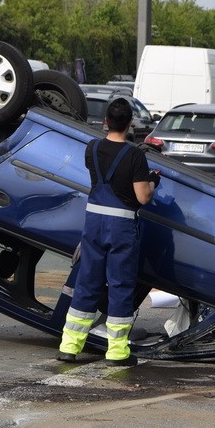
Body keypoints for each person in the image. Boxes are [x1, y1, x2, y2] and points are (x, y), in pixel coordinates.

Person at [58, 97, 159, 366]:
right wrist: (152, 182)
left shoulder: (91, 148)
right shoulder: (135, 155)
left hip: (93, 224)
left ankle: (69, 345)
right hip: (121, 228)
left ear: (105, 121)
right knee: (120, 285)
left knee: (87, 282)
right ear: (130, 124)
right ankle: (116, 352)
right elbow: (142, 197)